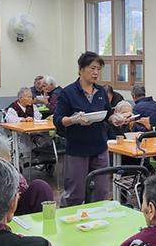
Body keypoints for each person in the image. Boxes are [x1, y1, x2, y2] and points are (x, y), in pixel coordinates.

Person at [55, 52, 129, 206]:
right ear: (81, 69)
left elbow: (108, 114)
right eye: (92, 68)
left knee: (101, 191)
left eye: (98, 69)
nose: (96, 72)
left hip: (100, 147)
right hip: (77, 149)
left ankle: (96, 223)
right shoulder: (68, 92)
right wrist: (73, 119)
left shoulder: (101, 91)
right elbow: (58, 120)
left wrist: (114, 118)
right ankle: (67, 223)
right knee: (76, 193)